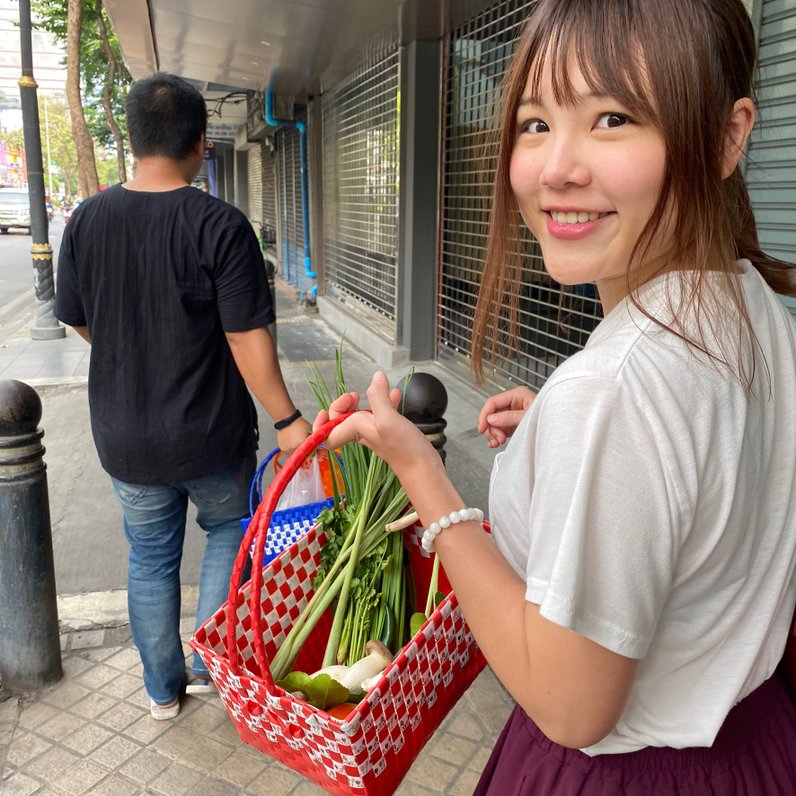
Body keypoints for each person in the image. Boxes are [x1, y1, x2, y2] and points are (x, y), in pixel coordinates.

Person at [314, 0, 796, 791]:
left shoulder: (618, 389)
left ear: (726, 137)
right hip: (757, 748)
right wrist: (569, 440)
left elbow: (570, 707)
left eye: (612, 118)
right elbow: (711, 475)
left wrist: (423, 475)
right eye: (535, 123)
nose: (556, 168)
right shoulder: (750, 301)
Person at [55, 72, 311, 721]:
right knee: (229, 528)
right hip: (210, 434)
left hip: (125, 436)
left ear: (135, 141)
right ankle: (211, 662)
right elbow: (247, 336)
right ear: (201, 142)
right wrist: (286, 419)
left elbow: (78, 318)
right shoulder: (220, 226)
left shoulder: (86, 220)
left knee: (149, 556)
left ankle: (163, 690)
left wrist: (128, 348)